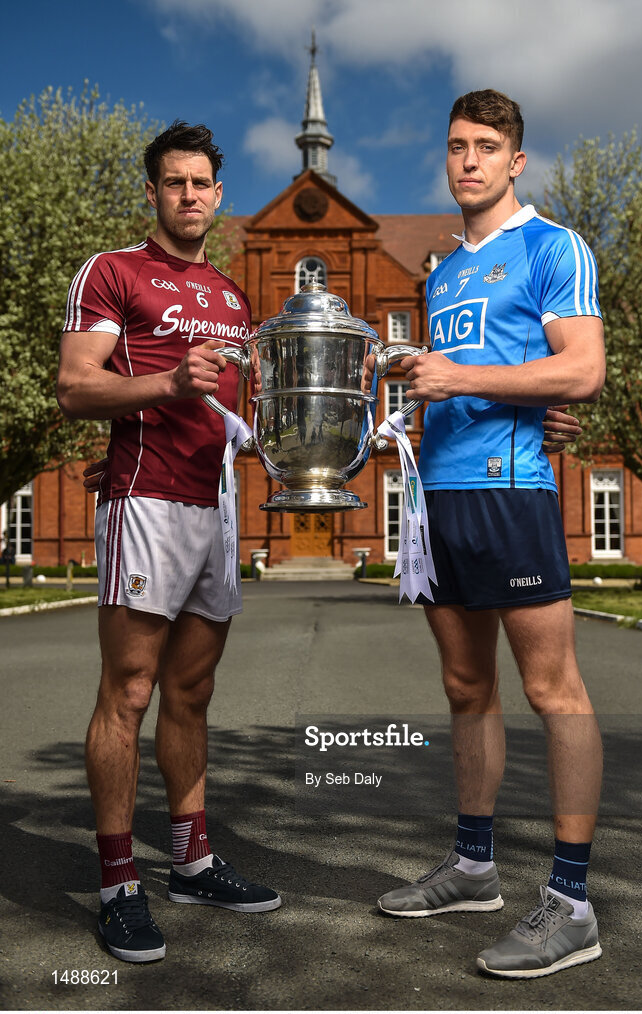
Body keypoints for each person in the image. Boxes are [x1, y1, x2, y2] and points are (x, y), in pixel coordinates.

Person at [376, 89, 605, 979]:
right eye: (454, 147)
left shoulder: (552, 247)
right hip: (440, 501)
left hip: (511, 494)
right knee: (464, 686)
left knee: (554, 691)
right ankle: (473, 867)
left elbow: (579, 368)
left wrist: (471, 378)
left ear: (514, 161)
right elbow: (488, 381)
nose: (466, 160)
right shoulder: (440, 272)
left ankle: (573, 904)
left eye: (484, 147)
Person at [56, 120, 280, 964]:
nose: (189, 194)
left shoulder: (230, 294)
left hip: (214, 505)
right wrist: (166, 380)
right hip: (145, 501)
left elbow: (237, 415)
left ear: (219, 196)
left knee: (192, 692)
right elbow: (76, 388)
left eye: (202, 184)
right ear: (152, 191)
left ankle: (191, 859)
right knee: (130, 690)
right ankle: (119, 883)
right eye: (174, 182)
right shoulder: (112, 272)